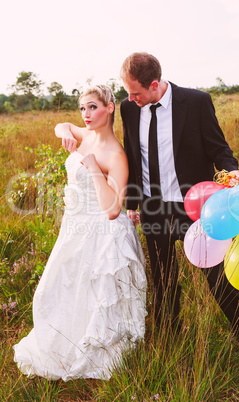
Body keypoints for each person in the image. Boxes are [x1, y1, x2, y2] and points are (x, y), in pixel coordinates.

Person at [119, 52, 239, 364]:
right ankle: (171, 352)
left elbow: (218, 147)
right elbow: (132, 155)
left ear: (154, 85)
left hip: (197, 211)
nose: (130, 98)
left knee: (220, 283)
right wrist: (133, 203)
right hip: (153, 210)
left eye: (135, 92)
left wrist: (232, 171)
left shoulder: (196, 102)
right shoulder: (129, 109)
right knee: (163, 285)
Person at [13, 85, 147, 381]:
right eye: (82, 108)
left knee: (96, 296)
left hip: (101, 233)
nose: (86, 114)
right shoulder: (83, 134)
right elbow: (62, 125)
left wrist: (94, 169)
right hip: (73, 226)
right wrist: (64, 132)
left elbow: (113, 208)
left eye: (93, 107)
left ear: (110, 108)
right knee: (60, 288)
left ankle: (98, 355)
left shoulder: (116, 155)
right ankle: (63, 347)